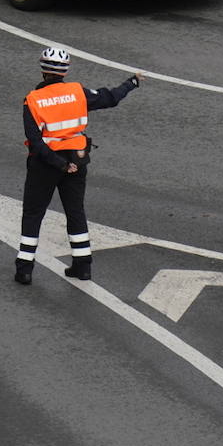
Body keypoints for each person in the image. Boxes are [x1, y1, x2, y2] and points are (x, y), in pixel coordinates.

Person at [15, 47, 140, 285]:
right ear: (65, 71)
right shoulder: (77, 92)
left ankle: (25, 269)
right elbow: (110, 98)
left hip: (46, 164)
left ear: (42, 70)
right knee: (75, 211)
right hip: (76, 160)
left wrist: (59, 164)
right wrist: (131, 82)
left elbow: (35, 141)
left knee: (33, 213)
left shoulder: (32, 100)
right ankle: (83, 266)